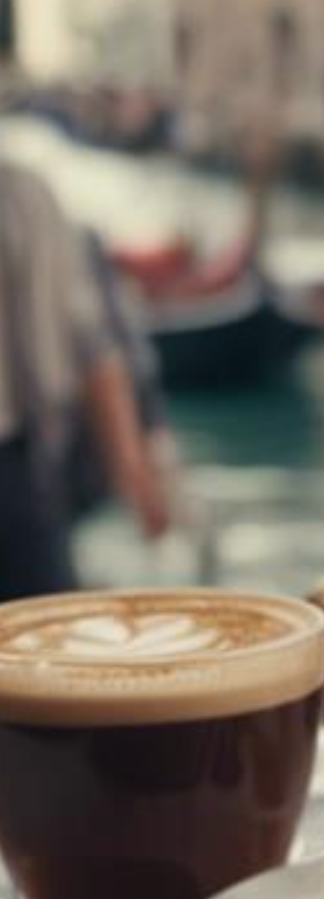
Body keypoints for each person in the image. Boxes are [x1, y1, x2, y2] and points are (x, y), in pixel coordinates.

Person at [0, 158, 171, 601]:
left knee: (44, 636)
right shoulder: (28, 194)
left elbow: (92, 343)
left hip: (20, 468)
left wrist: (134, 469)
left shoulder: (27, 195)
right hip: (21, 470)